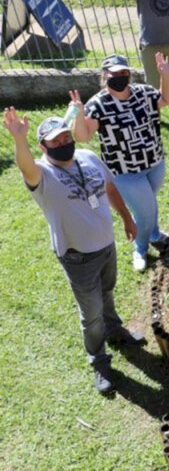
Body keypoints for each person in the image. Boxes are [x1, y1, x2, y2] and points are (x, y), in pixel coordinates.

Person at [3, 111, 145, 395]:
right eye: (56, 141)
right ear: (43, 147)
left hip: (106, 245)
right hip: (77, 256)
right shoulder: (42, 174)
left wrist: (127, 218)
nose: (64, 142)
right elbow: (25, 167)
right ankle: (99, 361)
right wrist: (19, 139)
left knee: (107, 292)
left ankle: (115, 331)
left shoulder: (88, 157)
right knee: (91, 314)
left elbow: (108, 187)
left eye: (66, 136)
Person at [70, 53, 169, 272]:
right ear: (104, 76)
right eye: (114, 74)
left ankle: (154, 233)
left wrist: (165, 75)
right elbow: (83, 136)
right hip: (125, 171)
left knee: (148, 202)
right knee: (145, 210)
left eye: (124, 73)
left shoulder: (143, 92)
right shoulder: (97, 104)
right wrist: (79, 114)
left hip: (154, 162)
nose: (119, 77)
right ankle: (141, 247)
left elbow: (165, 100)